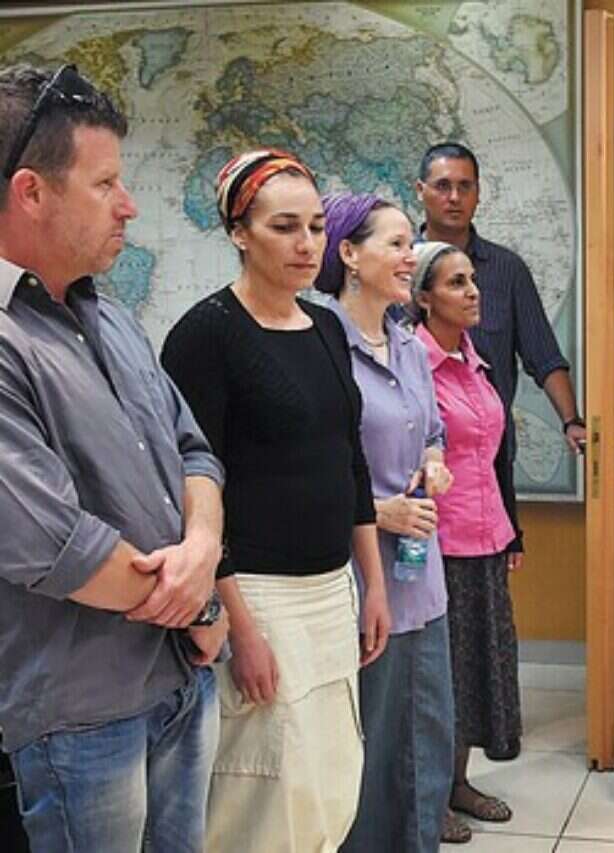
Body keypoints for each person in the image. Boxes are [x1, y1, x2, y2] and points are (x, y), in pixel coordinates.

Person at [0, 62, 227, 851]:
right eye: (105, 184)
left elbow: (194, 450)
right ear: (31, 192)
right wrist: (200, 605)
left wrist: (203, 550)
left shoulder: (111, 314)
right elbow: (57, 544)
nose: (128, 204)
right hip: (85, 714)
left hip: (180, 675)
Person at [160, 149, 391, 851]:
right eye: (284, 227)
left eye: (316, 226)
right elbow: (192, 488)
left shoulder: (326, 327)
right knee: (263, 798)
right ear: (239, 232)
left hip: (330, 590)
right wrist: (242, 627)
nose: (306, 244)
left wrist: (373, 584)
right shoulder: (206, 334)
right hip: (258, 595)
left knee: (330, 783)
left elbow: (350, 461)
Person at [316, 193, 456, 853]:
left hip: (421, 573)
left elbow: (432, 431)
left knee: (427, 733)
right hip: (357, 576)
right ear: (348, 253)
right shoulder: (321, 347)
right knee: (367, 746)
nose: (411, 257)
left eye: (411, 244)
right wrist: (380, 510)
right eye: (396, 244)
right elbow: (309, 476)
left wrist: (434, 464)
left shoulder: (408, 345)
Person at [408, 240, 524, 843]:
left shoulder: (480, 362)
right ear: (424, 298)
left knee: (477, 672)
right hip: (437, 545)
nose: (473, 291)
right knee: (438, 681)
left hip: (487, 538)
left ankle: (457, 782)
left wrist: (512, 531)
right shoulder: (411, 364)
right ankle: (426, 801)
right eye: (456, 283)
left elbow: (497, 457)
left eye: (472, 279)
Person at [416, 141, 585, 465]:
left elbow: (543, 356)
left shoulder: (507, 270)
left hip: (490, 454)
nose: (454, 197)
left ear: (478, 193)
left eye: (465, 187)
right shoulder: (401, 267)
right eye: (443, 186)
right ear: (420, 190)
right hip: (415, 455)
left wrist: (571, 420)